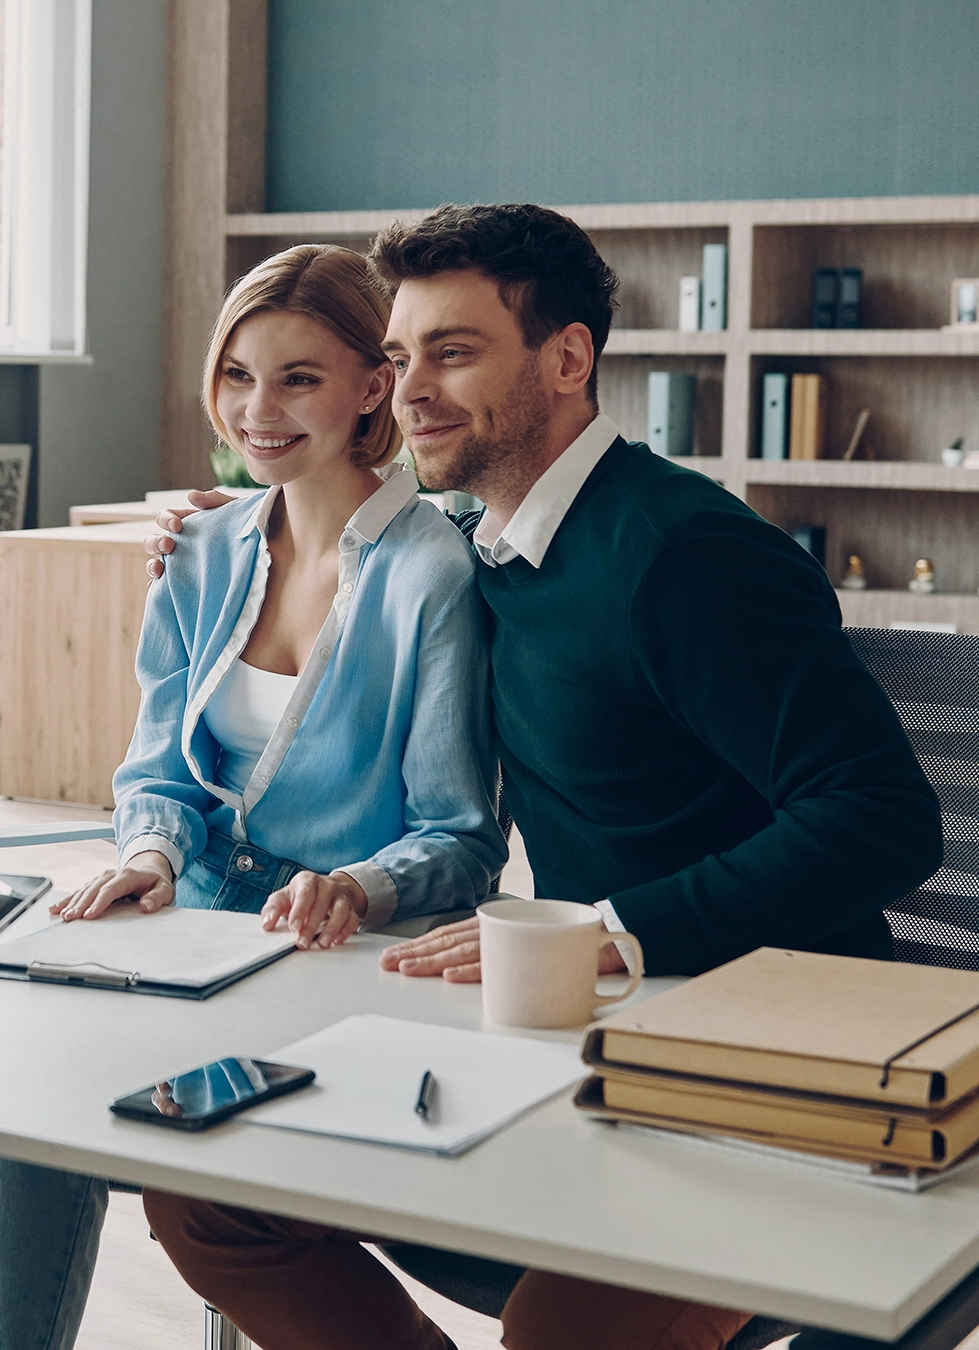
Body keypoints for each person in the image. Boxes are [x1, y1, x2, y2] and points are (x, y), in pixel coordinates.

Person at [140, 203, 944, 1350]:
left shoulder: (682, 555)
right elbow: (353, 537)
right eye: (402, 357)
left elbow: (882, 819)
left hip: (765, 1074)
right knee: (207, 1193)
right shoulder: (485, 548)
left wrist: (608, 928)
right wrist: (228, 525)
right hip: (577, 1043)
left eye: (453, 354)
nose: (411, 389)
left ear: (568, 359)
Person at [0, 244, 506, 1350]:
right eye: (235, 376)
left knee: (43, 1116)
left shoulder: (430, 573)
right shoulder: (202, 548)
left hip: (322, 967)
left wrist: (358, 886)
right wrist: (148, 854)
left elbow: (459, 838)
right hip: (181, 928)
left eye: (297, 379)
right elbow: (157, 774)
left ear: (372, 385)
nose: (255, 411)